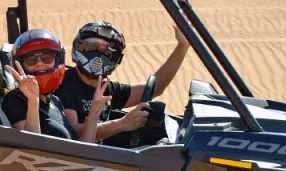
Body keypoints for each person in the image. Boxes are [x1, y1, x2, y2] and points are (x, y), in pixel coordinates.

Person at [56, 21, 190, 145]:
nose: (97, 56)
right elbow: (74, 133)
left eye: (107, 52)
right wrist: (123, 124)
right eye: (91, 47)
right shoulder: (64, 83)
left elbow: (156, 87)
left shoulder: (106, 88)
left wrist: (183, 46)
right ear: (79, 47)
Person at [1, 29, 107, 142]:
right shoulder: (15, 100)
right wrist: (32, 101)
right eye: (31, 60)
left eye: (47, 59)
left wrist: (94, 113)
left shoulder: (55, 101)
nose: (40, 63)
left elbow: (82, 148)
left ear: (57, 61)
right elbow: (29, 147)